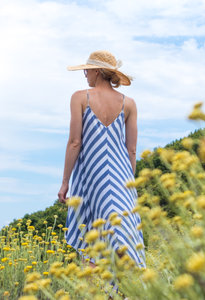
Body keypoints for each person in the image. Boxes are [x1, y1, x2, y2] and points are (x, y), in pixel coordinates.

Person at [57, 50, 145, 268]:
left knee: (92, 239)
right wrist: (129, 184)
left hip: (91, 178)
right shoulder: (129, 104)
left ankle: (101, 291)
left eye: (86, 70)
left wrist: (65, 182)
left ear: (96, 71)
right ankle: (122, 291)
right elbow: (131, 149)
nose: (85, 74)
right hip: (122, 179)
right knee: (122, 238)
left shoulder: (80, 97)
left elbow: (75, 142)